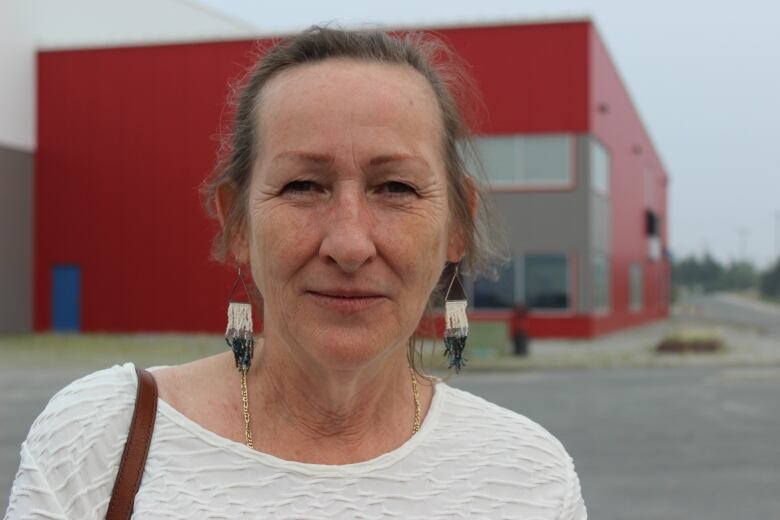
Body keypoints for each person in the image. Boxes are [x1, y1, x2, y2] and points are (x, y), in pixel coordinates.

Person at [5, 27, 586, 519]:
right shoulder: (104, 436)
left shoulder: (531, 479)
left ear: (457, 226)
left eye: (396, 187)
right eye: (303, 186)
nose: (350, 244)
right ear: (237, 223)